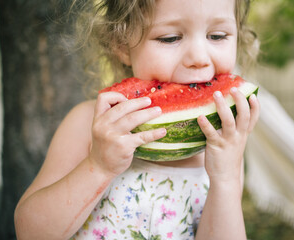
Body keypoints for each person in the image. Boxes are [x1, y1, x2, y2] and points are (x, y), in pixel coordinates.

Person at [14, 0, 260, 239]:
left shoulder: (224, 148)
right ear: (121, 44)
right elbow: (29, 232)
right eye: (170, 38)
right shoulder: (87, 123)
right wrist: (98, 166)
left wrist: (225, 179)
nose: (199, 57)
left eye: (217, 35)